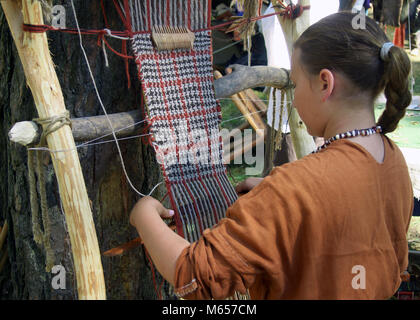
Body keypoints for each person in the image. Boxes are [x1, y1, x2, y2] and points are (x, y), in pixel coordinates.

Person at [129, 12, 414, 299]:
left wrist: (144, 216)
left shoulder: (294, 188)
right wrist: (278, 207)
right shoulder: (394, 160)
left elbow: (196, 277)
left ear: (325, 84)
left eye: (297, 85)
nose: (295, 95)